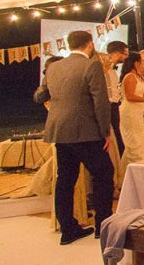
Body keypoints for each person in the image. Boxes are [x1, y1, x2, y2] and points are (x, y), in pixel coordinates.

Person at [41, 30, 115, 245]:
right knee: (103, 174)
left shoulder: (53, 66)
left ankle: (67, 229)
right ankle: (103, 225)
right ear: (90, 44)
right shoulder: (91, 65)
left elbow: (44, 94)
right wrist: (105, 132)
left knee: (65, 179)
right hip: (86, 131)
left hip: (59, 130)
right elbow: (100, 102)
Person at [104, 40, 128, 156]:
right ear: (117, 54)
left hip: (115, 105)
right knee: (115, 135)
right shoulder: (103, 68)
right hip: (108, 106)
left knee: (118, 134)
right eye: (125, 54)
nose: (126, 57)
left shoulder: (114, 70)